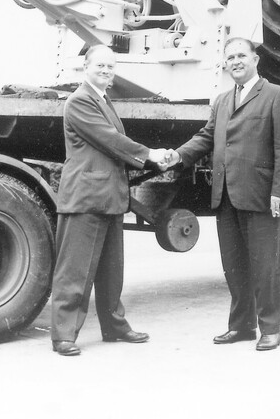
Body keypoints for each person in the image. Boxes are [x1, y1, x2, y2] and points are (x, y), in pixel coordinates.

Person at [168, 37, 280, 351]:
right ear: (225, 64)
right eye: (230, 57)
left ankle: (270, 328)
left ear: (255, 59)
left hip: (261, 195)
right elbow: (206, 136)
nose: (236, 61)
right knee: (234, 265)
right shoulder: (223, 100)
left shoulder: (276, 95)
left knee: (266, 265)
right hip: (225, 195)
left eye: (241, 55)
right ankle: (241, 327)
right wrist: (177, 155)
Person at [50, 44, 169, 357]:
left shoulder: (102, 100)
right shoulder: (80, 101)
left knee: (111, 271)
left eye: (110, 67)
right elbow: (109, 140)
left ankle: (114, 326)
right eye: (100, 66)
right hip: (86, 198)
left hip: (109, 197)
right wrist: (150, 155)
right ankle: (64, 335)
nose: (105, 71)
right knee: (75, 272)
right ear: (85, 67)